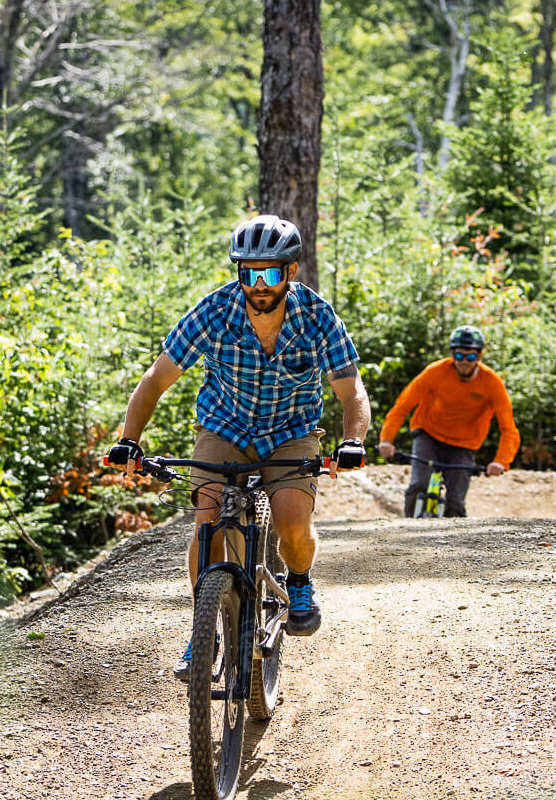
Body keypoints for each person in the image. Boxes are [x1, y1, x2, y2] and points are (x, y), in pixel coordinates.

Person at [106, 214, 371, 681]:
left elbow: (351, 392)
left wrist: (353, 441)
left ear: (290, 272)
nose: (258, 284)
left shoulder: (317, 317)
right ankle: (203, 629)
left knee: (292, 521)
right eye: (248, 272)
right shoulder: (214, 312)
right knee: (208, 519)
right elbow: (156, 379)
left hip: (290, 432)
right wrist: (129, 439)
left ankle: (300, 581)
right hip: (223, 428)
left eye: (269, 272)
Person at [376, 326, 519, 517]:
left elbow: (508, 429)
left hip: (464, 444)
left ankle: (455, 545)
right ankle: (407, 530)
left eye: (470, 357)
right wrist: (386, 440)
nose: (464, 362)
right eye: (459, 356)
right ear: (452, 354)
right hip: (428, 435)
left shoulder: (491, 383)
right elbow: (402, 406)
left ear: (479, 356)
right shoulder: (435, 372)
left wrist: (501, 462)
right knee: (419, 485)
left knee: (455, 502)